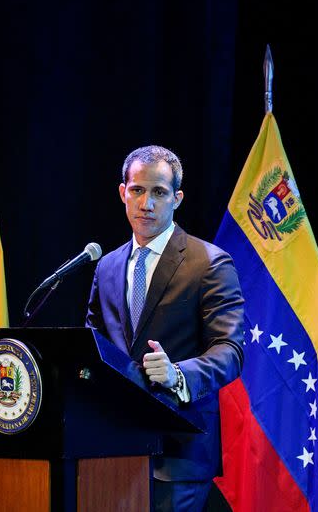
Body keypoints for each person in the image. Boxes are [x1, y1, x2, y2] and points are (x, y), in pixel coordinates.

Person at [86, 145, 244, 511]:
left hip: (179, 455)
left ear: (177, 198)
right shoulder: (106, 267)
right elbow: (94, 346)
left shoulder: (209, 263)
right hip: (112, 450)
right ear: (122, 193)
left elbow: (231, 351)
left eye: (159, 192)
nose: (147, 203)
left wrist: (177, 374)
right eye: (138, 190)